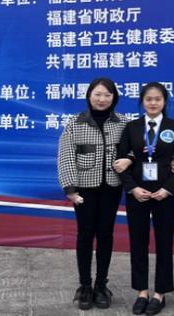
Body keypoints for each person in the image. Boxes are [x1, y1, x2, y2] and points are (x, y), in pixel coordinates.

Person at [115, 82, 174, 315]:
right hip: (138, 194)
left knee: (164, 243)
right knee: (138, 242)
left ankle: (160, 293)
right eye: (148, 99)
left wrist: (168, 189)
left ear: (164, 102)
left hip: (163, 195)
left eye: (158, 99)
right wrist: (133, 188)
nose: (153, 103)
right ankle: (142, 291)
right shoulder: (132, 127)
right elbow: (120, 162)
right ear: (142, 102)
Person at [57, 77, 126, 310]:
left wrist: (129, 160)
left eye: (107, 95)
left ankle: (101, 285)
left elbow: (133, 151)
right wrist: (70, 188)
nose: (102, 99)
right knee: (85, 234)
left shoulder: (123, 123)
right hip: (84, 189)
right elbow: (66, 156)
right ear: (89, 96)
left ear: (114, 98)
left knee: (105, 233)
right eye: (97, 94)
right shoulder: (75, 123)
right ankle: (85, 286)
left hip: (112, 187)